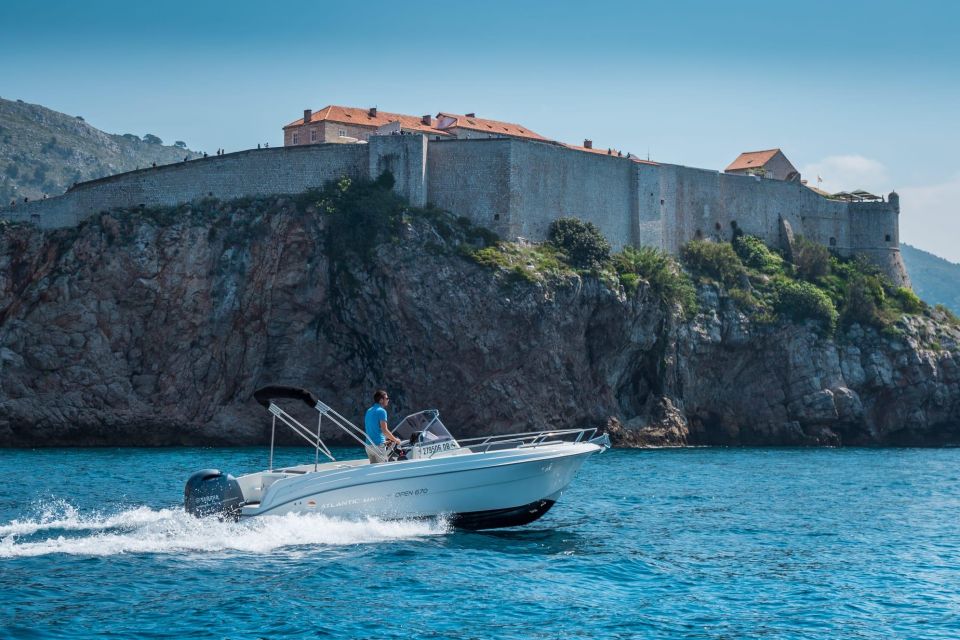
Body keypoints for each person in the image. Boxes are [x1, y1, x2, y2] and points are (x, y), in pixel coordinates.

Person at [364, 389, 401, 463]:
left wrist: (386, 440)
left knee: (374, 472)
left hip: (368, 446)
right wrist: (395, 440)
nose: (388, 400)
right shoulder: (381, 411)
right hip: (378, 446)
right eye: (387, 398)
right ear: (381, 400)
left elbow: (372, 428)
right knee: (382, 469)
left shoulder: (369, 410)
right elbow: (384, 430)